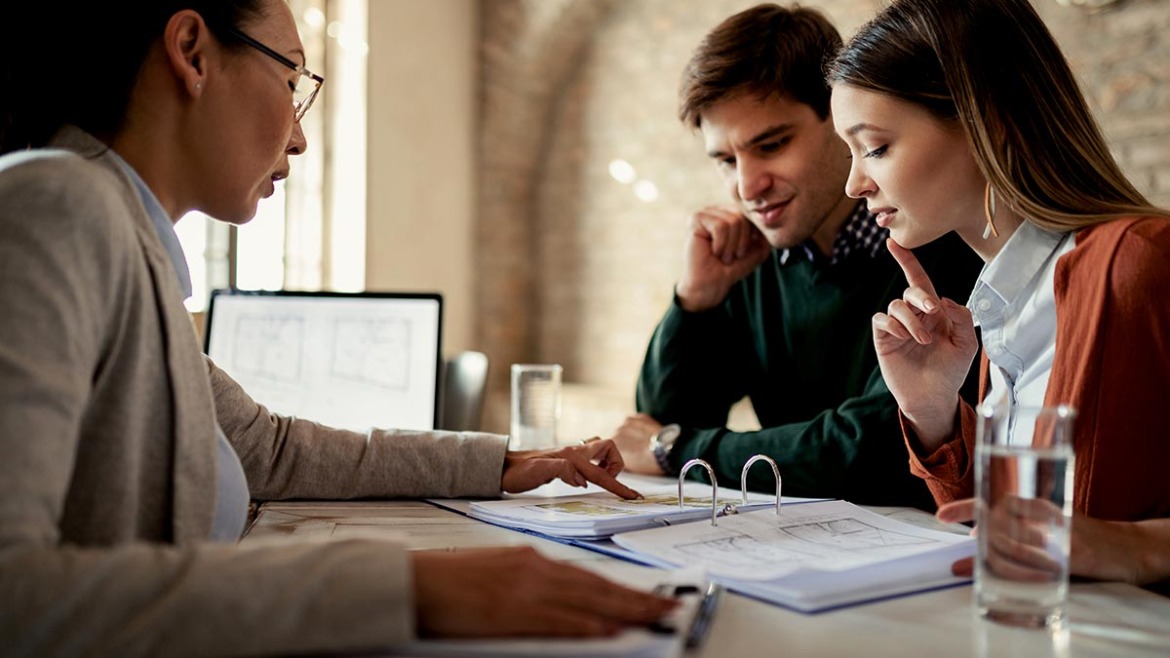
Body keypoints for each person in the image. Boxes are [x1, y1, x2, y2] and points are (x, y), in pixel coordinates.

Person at [0, 2, 676, 656]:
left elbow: (270, 449)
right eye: (291, 80)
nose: (297, 135)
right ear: (191, 52)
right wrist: (410, 587)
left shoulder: (125, 247)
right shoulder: (56, 209)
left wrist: (505, 462)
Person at [827, 0, 1170, 587]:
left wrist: (1135, 546)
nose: (855, 183)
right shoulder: (999, 308)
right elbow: (1006, 539)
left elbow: (1085, 540)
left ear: (989, 120)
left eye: (876, 147)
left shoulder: (1141, 263)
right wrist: (934, 412)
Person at [607, 3, 981, 507]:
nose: (746, 186)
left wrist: (679, 449)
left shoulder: (939, 238)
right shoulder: (752, 262)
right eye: (725, 160)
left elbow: (871, 448)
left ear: (841, 117)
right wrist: (695, 301)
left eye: (772, 144)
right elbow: (656, 426)